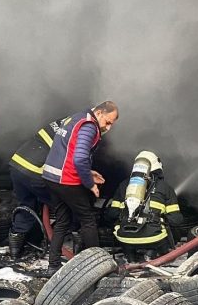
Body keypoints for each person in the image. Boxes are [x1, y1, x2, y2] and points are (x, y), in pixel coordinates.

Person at [42, 101, 118, 272]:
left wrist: (88, 172)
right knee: (88, 219)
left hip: (51, 177)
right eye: (108, 122)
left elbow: (68, 152)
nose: (108, 128)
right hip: (66, 180)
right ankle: (99, 267)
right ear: (99, 113)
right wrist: (89, 183)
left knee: (62, 221)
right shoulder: (89, 126)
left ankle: (52, 265)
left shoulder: (75, 118)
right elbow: (79, 158)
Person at [104, 151, 183, 262]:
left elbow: (111, 215)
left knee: (127, 240)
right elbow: (176, 220)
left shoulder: (123, 185)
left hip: (125, 238)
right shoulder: (166, 188)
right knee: (165, 234)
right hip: (155, 238)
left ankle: (130, 258)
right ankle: (152, 254)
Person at [7, 118, 61, 258]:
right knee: (65, 204)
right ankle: (67, 244)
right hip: (35, 170)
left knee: (27, 205)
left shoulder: (60, 123)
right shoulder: (79, 127)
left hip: (17, 165)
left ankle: (14, 251)